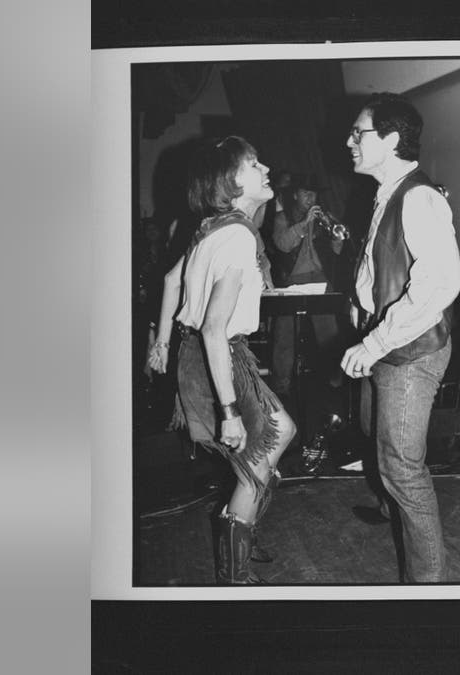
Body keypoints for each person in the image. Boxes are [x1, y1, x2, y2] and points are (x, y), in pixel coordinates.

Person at [147, 136, 296, 584]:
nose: (266, 168)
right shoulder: (234, 238)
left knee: (276, 437)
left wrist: (162, 342)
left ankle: (243, 529)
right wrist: (230, 414)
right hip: (218, 354)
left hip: (202, 353)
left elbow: (172, 281)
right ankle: (235, 570)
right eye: (254, 164)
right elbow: (214, 328)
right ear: (230, 182)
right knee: (261, 452)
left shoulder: (212, 228)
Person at [339, 93, 460, 583]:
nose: (349, 141)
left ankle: (427, 591)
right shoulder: (389, 191)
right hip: (388, 343)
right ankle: (395, 512)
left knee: (403, 468)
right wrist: (362, 301)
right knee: (378, 436)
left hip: (410, 352)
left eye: (358, 133)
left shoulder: (417, 197)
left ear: (389, 139)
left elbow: (439, 284)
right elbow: (385, 260)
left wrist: (373, 343)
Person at [269, 174, 350, 398]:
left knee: (329, 335)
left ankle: (335, 383)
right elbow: (282, 244)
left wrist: (337, 239)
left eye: (313, 194)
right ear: (295, 194)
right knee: (284, 337)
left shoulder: (324, 216)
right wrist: (304, 224)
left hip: (319, 281)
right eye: (305, 193)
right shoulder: (281, 217)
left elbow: (336, 252)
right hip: (290, 282)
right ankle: (281, 386)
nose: (310, 198)